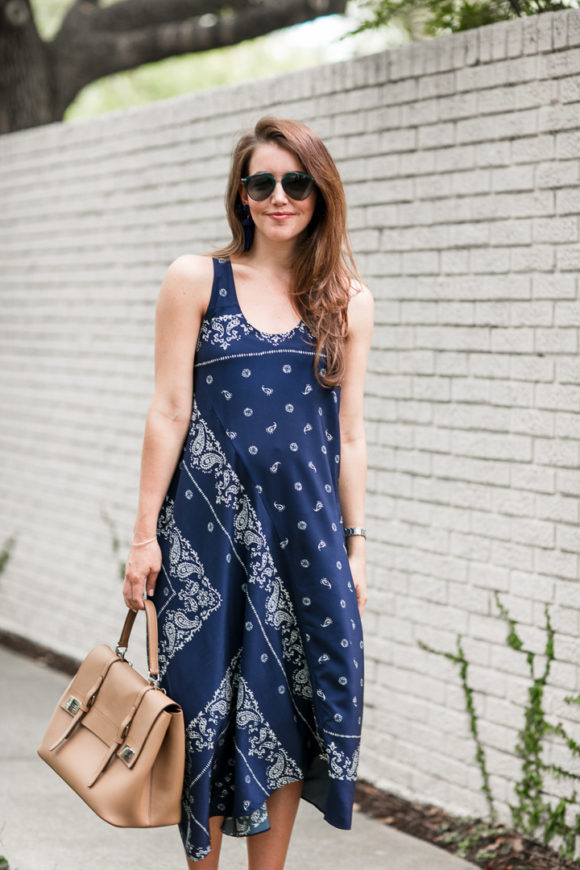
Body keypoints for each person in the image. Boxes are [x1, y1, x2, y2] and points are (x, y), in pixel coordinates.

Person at [122, 117, 374, 870]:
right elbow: (168, 411)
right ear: (241, 192)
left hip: (309, 539)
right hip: (204, 543)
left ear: (320, 191)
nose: (279, 197)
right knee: (201, 713)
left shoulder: (349, 301)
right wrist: (143, 539)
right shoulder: (196, 278)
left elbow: (351, 438)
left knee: (291, 709)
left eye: (295, 182)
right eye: (262, 182)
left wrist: (358, 545)